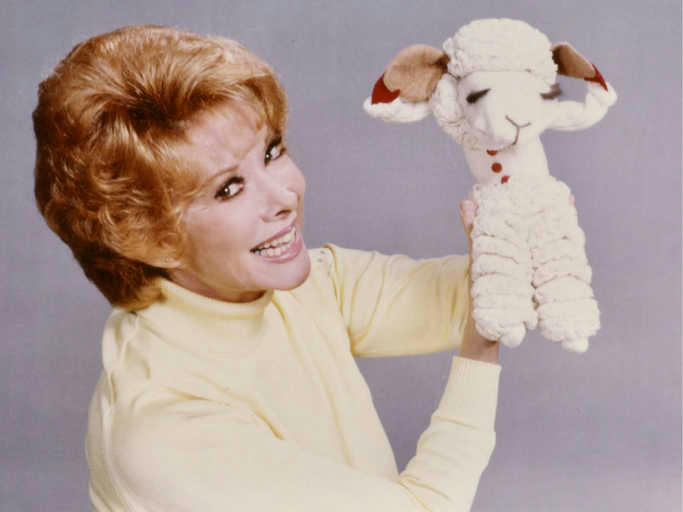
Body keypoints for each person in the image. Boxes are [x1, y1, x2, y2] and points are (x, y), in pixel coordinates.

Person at [33, 25, 500, 511]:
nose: (285, 195)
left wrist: (514, 174)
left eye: (272, 152)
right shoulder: (164, 431)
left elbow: (491, 289)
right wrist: (483, 342)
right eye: (228, 188)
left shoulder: (302, 286)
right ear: (148, 238)